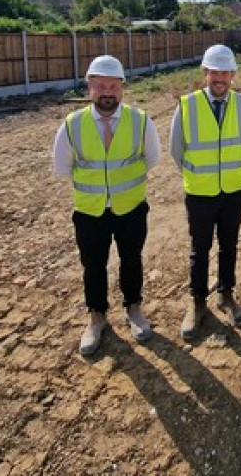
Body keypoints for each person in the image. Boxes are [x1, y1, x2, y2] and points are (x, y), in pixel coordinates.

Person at [52, 54, 161, 356]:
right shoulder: (72, 125)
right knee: (93, 266)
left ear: (122, 88)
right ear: (89, 87)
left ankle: (134, 310)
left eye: (113, 86)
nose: (107, 92)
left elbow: (152, 159)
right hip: (90, 212)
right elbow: (62, 167)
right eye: (100, 86)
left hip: (130, 208)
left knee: (131, 259)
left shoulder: (140, 121)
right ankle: (96, 317)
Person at [170, 44, 241, 341]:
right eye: (214, 72)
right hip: (201, 192)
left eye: (225, 72)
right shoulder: (187, 104)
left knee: (229, 244)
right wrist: (200, 173)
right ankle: (197, 303)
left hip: (233, 188)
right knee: (200, 248)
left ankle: (226, 295)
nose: (219, 78)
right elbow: (176, 150)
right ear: (205, 73)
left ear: (233, 74)